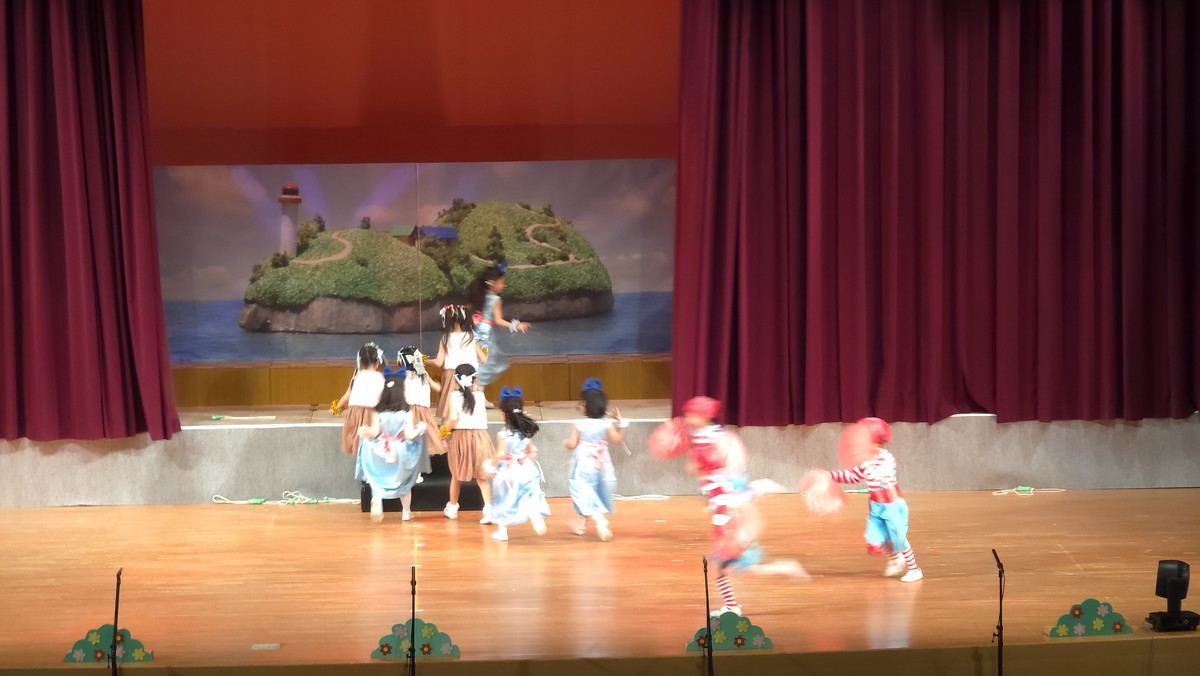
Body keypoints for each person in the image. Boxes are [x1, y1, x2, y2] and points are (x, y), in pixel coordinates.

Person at [670, 396, 808, 617]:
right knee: (723, 566)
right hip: (729, 515)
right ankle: (733, 605)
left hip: (731, 518)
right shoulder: (716, 439)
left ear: (702, 417)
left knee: (736, 567)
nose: (687, 418)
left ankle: (784, 569)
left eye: (691, 414)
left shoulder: (708, 444)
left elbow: (698, 470)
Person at [827, 417, 923, 582]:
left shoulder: (886, 458)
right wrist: (830, 476)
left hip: (892, 505)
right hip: (876, 506)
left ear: (876, 442)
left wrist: (870, 467)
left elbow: (882, 476)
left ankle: (915, 570)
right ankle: (895, 556)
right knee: (875, 540)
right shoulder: (866, 460)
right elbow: (852, 476)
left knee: (899, 539)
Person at [562, 378, 626, 541]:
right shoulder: (606, 423)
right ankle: (580, 524)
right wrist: (621, 423)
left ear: (585, 405)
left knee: (582, 489)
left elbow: (571, 444)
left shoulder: (579, 423)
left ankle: (599, 519)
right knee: (594, 490)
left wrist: (566, 443)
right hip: (602, 463)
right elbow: (617, 439)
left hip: (584, 463)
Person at [356, 375, 427, 522]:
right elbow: (409, 435)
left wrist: (363, 431)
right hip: (400, 452)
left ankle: (377, 498)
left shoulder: (378, 413)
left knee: (378, 477)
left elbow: (374, 432)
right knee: (404, 482)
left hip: (381, 451)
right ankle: (406, 512)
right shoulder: (407, 414)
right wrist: (420, 429)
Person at [487, 386, 550, 541]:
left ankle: (502, 531)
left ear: (504, 414)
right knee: (528, 493)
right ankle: (533, 512)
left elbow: (500, 454)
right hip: (525, 470)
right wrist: (524, 456)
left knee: (503, 499)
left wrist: (491, 465)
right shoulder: (524, 433)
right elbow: (532, 451)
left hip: (508, 473)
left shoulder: (502, 434)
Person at [443, 364, 494, 521]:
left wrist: (444, 431)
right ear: (474, 379)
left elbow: (453, 419)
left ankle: (452, 507)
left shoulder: (453, 396)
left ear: (455, 380)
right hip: (480, 437)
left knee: (456, 475)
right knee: (481, 477)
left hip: (461, 437)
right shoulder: (480, 396)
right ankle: (489, 509)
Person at [469, 265, 529, 387]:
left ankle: (475, 389)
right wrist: (516, 325)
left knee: (477, 361)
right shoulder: (496, 299)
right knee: (486, 362)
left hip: (476, 329)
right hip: (486, 333)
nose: (503, 286)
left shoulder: (479, 296)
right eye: (502, 283)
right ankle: (478, 391)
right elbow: (499, 320)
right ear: (492, 283)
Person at [429, 305, 487, 420]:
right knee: (468, 408)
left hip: (452, 376)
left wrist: (424, 361)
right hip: (470, 374)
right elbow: (484, 360)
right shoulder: (471, 337)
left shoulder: (446, 338)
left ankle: (448, 428)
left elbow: (438, 362)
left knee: (450, 408)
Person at [334, 343, 386, 456]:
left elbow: (347, 396)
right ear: (378, 362)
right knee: (372, 447)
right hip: (372, 415)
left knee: (359, 446)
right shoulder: (382, 378)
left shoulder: (355, 378)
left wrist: (336, 408)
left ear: (361, 362)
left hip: (354, 415)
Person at [397, 346, 444, 465]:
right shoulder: (424, 375)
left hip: (407, 412)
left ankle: (410, 467)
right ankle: (419, 467)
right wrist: (440, 383)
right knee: (424, 441)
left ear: (401, 361)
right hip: (423, 413)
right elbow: (438, 388)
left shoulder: (401, 376)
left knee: (407, 441)